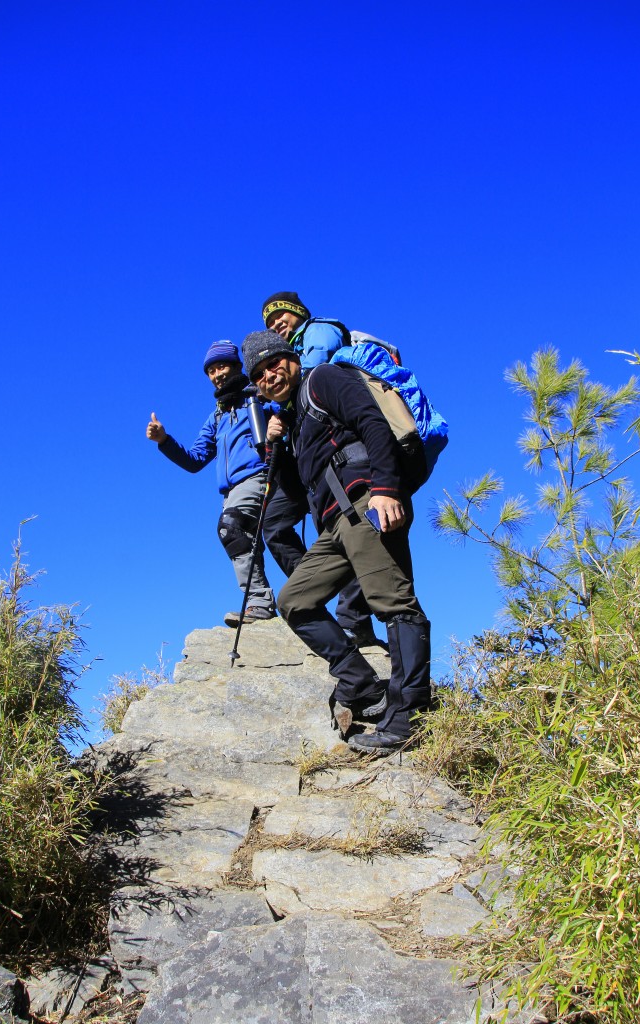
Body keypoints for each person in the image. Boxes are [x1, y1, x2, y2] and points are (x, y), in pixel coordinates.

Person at [241, 329, 431, 755]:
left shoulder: (323, 379)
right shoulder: (294, 420)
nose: (270, 375)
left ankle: (408, 718)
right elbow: (294, 488)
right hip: (334, 526)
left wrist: (386, 488)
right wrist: (275, 445)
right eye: (260, 373)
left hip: (366, 504)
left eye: (274, 363)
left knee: (394, 604)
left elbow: (372, 423)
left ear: (291, 357)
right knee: (295, 600)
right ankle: (363, 686)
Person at [259, 290, 380, 649]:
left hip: (338, 446)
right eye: (269, 322)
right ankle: (317, 588)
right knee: (277, 523)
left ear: (298, 312)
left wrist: (279, 407)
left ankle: (353, 618)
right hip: (310, 452)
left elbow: (316, 376)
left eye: (281, 316)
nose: (276, 323)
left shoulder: (319, 331)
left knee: (349, 524)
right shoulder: (286, 354)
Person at [146, 340, 276, 627]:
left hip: (258, 477)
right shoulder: (217, 416)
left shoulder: (259, 398)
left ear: (237, 366)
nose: (217, 374)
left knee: (230, 527)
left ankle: (258, 601)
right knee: (255, 540)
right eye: (211, 370)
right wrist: (164, 441)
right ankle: (273, 604)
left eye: (222, 366)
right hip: (231, 492)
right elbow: (195, 460)